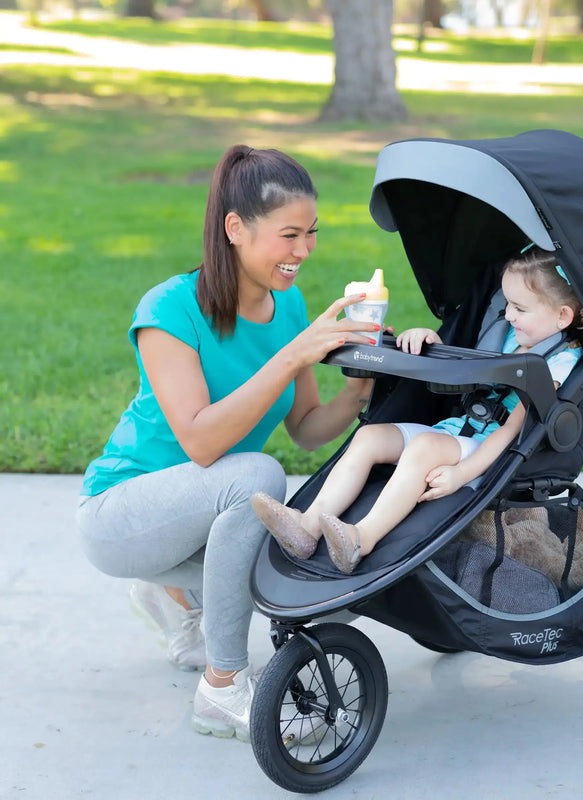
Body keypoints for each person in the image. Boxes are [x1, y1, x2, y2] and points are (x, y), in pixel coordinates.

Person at [75, 144, 380, 743]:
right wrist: (294, 353)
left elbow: (306, 425)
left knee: (297, 570)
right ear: (235, 229)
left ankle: (172, 598)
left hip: (194, 514)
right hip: (120, 512)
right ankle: (221, 688)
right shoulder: (169, 308)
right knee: (259, 476)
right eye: (289, 234)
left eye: (311, 232)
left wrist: (358, 392)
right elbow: (203, 443)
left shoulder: (287, 305)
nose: (304, 250)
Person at [252, 247, 583, 575]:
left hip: (493, 456)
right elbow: (464, 370)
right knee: (369, 437)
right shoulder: (507, 337)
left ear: (562, 316)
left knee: (425, 447)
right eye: (507, 306)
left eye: (520, 308)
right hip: (458, 430)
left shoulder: (559, 365)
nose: (509, 315)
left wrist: (463, 474)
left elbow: (512, 431)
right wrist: (430, 341)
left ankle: (362, 538)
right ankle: (308, 528)